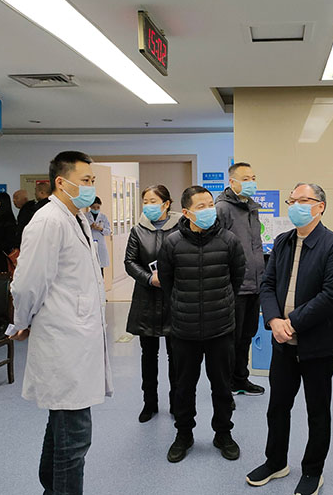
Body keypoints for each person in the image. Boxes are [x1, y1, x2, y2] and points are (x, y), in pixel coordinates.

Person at [8, 151, 112, 495]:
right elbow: (27, 283)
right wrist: (21, 321)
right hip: (63, 341)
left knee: (62, 429)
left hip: (75, 339)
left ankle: (50, 488)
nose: (90, 186)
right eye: (85, 180)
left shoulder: (76, 217)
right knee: (74, 438)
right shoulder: (48, 221)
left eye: (92, 180)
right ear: (61, 182)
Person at [246, 183, 333, 495]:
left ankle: (312, 471)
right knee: (277, 406)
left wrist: (292, 323)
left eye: (303, 200)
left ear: (320, 206)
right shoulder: (283, 241)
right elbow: (267, 285)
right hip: (282, 342)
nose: (295, 206)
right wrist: (273, 320)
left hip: (317, 344)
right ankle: (276, 462)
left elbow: (332, 294)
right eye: (292, 200)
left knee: (317, 411)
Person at [157, 185, 245, 464]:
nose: (208, 210)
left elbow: (237, 279)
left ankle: (223, 434)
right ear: (186, 212)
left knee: (222, 386)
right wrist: (184, 306)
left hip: (220, 328)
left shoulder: (229, 241)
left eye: (210, 204)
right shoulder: (172, 243)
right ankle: (184, 435)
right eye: (201, 206)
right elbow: (167, 283)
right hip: (184, 329)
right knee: (184, 387)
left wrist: (220, 304)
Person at [125, 184, 182, 423]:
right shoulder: (138, 230)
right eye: (145, 201)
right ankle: (149, 403)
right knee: (148, 356)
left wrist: (171, 278)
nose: (148, 206)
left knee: (175, 357)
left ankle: (176, 403)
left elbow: (188, 257)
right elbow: (130, 262)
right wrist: (149, 278)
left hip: (174, 299)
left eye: (153, 201)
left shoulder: (181, 228)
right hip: (146, 299)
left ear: (166, 204)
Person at [215, 161, 266, 396]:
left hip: (254, 285)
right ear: (232, 182)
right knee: (231, 340)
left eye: (253, 178)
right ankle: (225, 386)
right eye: (246, 179)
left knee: (246, 336)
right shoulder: (222, 208)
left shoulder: (251, 207)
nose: (251, 182)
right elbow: (217, 246)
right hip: (234, 286)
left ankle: (240, 379)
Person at [85, 197, 111, 276]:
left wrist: (101, 229)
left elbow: (108, 231)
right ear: (90, 206)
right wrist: (90, 227)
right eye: (93, 207)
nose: (96, 209)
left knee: (100, 270)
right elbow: (81, 230)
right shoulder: (85, 216)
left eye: (98, 207)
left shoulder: (103, 217)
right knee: (90, 270)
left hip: (100, 246)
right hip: (89, 244)